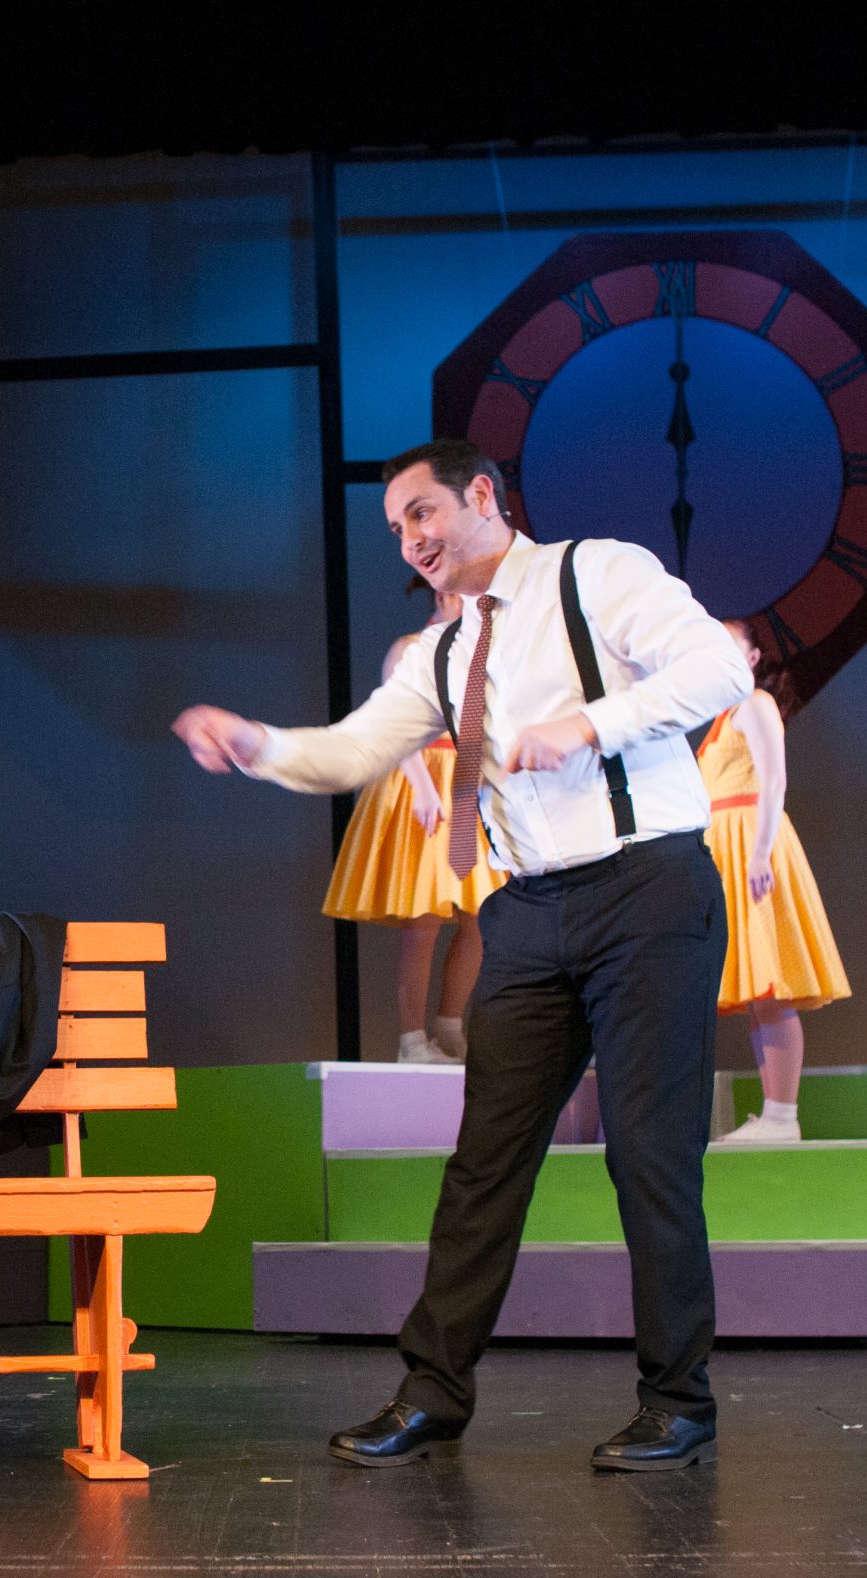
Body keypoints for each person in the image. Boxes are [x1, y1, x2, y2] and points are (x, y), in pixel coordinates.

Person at [172, 441, 750, 1473]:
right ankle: (432, 1393)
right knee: (484, 1163)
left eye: (422, 512)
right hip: (527, 913)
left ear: (482, 495)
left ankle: (678, 1401)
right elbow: (354, 749)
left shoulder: (594, 572)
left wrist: (589, 725)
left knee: (650, 1157)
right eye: (396, 527)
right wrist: (255, 742)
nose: (411, 539)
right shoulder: (442, 653)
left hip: (646, 890)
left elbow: (718, 666)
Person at [320, 587, 507, 1064]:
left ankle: (449, 1028)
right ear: (445, 596)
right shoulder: (409, 649)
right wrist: (423, 786)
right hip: (419, 780)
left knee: (480, 916)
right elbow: (394, 727)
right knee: (423, 917)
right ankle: (412, 1040)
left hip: (464, 787)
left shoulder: (475, 658)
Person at [701, 620, 851, 1144]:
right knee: (757, 992)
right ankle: (775, 1116)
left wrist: (761, 852)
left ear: (752, 658)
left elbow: (774, 780)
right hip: (726, 847)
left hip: (751, 844)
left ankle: (783, 1117)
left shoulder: (755, 704)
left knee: (769, 983)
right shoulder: (721, 715)